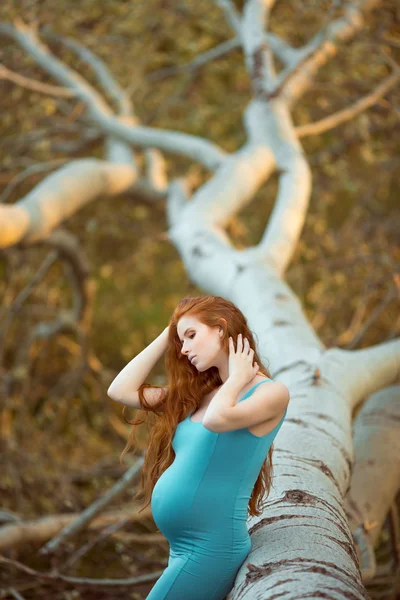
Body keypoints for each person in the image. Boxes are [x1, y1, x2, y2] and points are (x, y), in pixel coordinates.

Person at [107, 295, 289, 599]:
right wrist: (169, 334)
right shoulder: (200, 394)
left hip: (212, 550)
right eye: (181, 341)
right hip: (183, 548)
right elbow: (121, 390)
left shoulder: (271, 393)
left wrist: (239, 377)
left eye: (192, 335)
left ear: (221, 329)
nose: (185, 348)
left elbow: (217, 421)